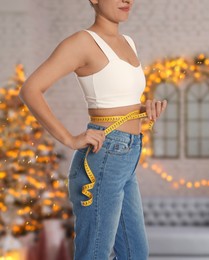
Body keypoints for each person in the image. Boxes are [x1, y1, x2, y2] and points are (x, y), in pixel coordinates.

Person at [19, 0, 167, 259]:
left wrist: (144, 108)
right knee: (94, 254)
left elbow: (115, 102)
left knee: (136, 254)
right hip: (105, 155)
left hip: (127, 156)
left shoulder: (128, 42)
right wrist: (69, 138)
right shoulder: (82, 42)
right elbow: (30, 90)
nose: (127, 1)